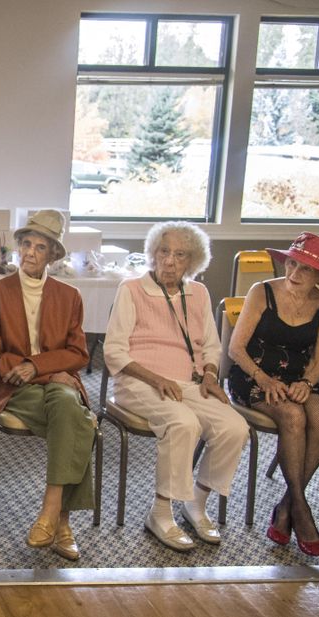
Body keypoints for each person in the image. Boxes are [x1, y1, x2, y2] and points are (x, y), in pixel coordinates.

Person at [103, 221, 247, 552]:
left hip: (190, 382)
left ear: (192, 261)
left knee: (234, 427)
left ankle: (196, 504)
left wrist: (210, 375)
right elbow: (114, 351)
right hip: (138, 381)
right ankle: (161, 513)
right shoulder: (131, 290)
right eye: (163, 252)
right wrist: (156, 378)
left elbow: (212, 345)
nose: (170, 261)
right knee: (183, 423)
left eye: (180, 255)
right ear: (152, 255)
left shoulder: (198, 293)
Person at [0, 210, 94, 561]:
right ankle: (62, 522)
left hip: (51, 382)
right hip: (9, 386)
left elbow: (79, 353)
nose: (29, 252)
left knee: (66, 406)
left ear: (53, 255)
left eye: (40, 247)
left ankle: (51, 510)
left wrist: (35, 366)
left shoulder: (69, 295)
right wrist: (40, 369)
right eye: (26, 244)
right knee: (78, 419)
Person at [228, 232, 319, 557]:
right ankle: (301, 512)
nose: (293, 274)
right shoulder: (261, 291)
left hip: (298, 377)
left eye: (305, 269)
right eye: (291, 263)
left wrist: (306, 383)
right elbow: (236, 348)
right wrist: (263, 379)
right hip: (253, 373)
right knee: (292, 415)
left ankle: (286, 506)